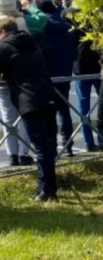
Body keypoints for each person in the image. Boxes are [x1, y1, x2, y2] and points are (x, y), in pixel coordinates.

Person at [0, 16, 59, 200]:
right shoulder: (30, 41)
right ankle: (50, 188)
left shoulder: (4, 47)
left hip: (29, 100)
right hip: (48, 95)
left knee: (41, 147)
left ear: (2, 32)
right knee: (49, 146)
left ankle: (46, 190)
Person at [38, 0, 78, 155]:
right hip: (65, 72)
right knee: (64, 110)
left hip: (47, 75)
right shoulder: (68, 27)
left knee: (49, 113)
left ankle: (53, 147)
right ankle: (68, 145)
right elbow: (74, 51)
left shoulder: (42, 28)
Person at [0, 0, 32, 166]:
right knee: (24, 115)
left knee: (7, 116)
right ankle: (24, 153)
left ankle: (12, 154)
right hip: (21, 74)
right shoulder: (21, 21)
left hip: (3, 76)